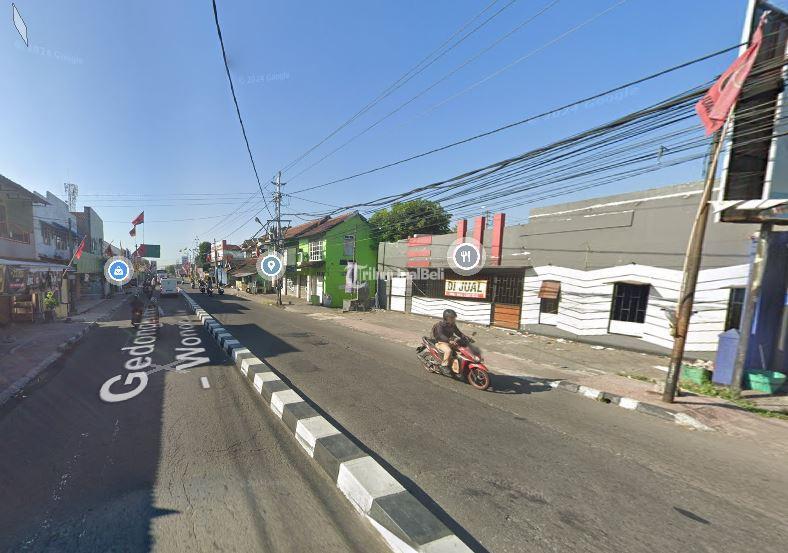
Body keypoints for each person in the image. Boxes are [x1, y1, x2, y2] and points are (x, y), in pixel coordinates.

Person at [432, 309, 470, 376]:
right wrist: (449, 340)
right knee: (448, 351)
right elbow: (441, 335)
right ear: (446, 318)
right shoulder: (440, 325)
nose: (454, 319)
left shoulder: (452, 324)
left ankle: (457, 365)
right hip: (441, 342)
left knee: (461, 349)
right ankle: (444, 366)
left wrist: (466, 337)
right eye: (452, 318)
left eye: (454, 318)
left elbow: (458, 332)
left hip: (450, 341)